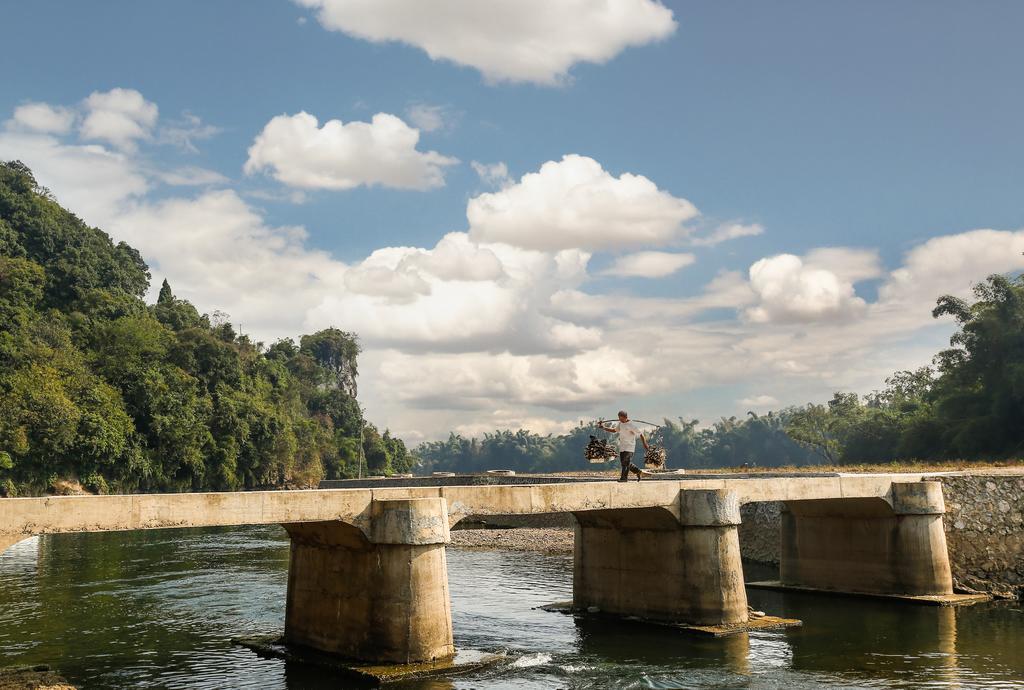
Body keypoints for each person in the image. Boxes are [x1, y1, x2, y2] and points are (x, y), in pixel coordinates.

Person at [598, 411, 648, 482]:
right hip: (622, 446)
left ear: (625, 417)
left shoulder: (631, 425)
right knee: (625, 463)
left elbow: (641, 435)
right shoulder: (620, 424)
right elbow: (614, 430)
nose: (620, 420)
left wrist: (645, 444)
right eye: (619, 418)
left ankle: (624, 478)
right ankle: (638, 471)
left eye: (621, 418)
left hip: (630, 447)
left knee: (626, 462)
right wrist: (603, 427)